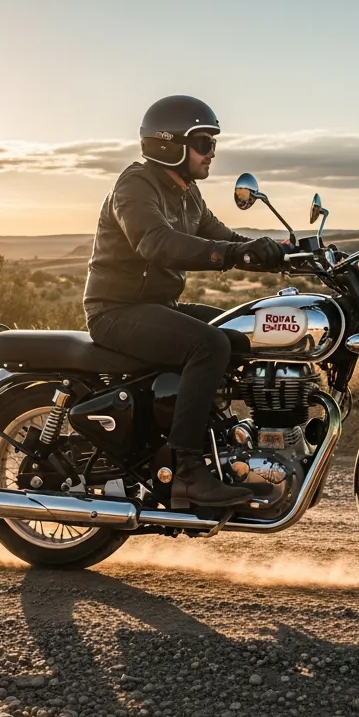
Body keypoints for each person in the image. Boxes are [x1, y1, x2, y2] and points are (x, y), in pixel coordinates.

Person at [83, 95, 286, 508]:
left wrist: (282, 253)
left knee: (241, 331)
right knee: (208, 344)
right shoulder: (135, 185)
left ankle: (229, 443)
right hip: (116, 312)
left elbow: (224, 238)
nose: (212, 153)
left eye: (213, 143)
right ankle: (189, 471)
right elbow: (154, 242)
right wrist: (231, 256)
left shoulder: (187, 194)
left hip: (158, 309)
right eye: (204, 143)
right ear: (169, 144)